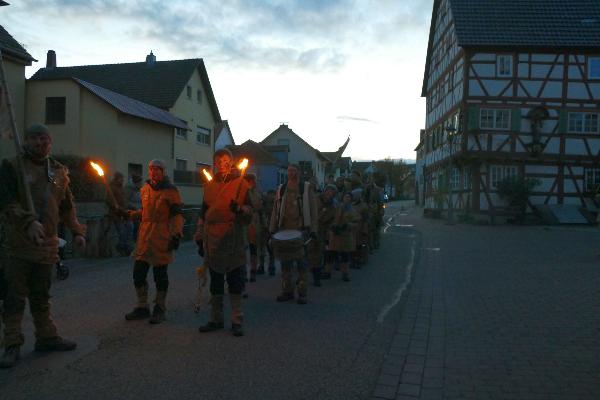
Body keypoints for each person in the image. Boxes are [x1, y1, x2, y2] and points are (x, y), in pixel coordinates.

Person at [0, 123, 86, 368]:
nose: (39, 143)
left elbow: (67, 207)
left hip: (46, 245)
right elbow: (6, 202)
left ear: (50, 142)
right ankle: (12, 344)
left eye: (44, 138)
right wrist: (27, 222)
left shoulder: (58, 172)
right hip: (17, 244)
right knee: (14, 296)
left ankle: (46, 337)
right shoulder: (11, 167)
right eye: (34, 138)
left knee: (41, 295)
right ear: (26, 141)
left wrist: (77, 231)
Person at [196, 149, 251, 337]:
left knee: (235, 280)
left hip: (232, 235)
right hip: (213, 237)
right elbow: (203, 212)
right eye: (218, 160)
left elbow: (250, 209)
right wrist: (199, 234)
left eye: (225, 160)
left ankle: (237, 320)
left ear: (232, 162)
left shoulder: (241, 184)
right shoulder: (209, 185)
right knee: (216, 281)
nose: (222, 163)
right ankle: (216, 319)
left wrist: (240, 209)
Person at [122, 159, 184, 324]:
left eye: (157, 169)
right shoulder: (145, 189)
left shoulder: (171, 191)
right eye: (151, 169)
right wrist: (131, 214)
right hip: (144, 238)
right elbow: (146, 213)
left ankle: (160, 308)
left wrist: (176, 234)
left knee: (160, 276)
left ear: (163, 172)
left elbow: (177, 215)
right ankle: (142, 307)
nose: (154, 172)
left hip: (162, 237)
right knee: (138, 274)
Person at [270, 164, 318, 304]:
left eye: (294, 171)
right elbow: (275, 210)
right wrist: (272, 229)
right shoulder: (281, 188)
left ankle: (302, 293)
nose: (291, 173)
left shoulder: (306, 188)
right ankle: (287, 291)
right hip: (284, 230)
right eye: (289, 171)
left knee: (302, 264)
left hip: (301, 230)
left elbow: (313, 210)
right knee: (285, 264)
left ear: (298, 172)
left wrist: (314, 230)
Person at [309, 184, 337, 285]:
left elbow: (333, 219)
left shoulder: (333, 206)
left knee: (318, 254)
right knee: (309, 253)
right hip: (311, 229)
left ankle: (316, 277)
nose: (329, 194)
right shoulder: (316, 199)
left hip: (322, 232)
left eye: (332, 192)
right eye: (328, 191)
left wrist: (330, 229)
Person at [329, 192, 360, 282]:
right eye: (346, 197)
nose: (347, 199)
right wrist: (333, 226)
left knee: (345, 256)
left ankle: (345, 274)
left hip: (346, 235)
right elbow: (331, 217)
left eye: (349, 197)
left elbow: (357, 222)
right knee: (331, 254)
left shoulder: (353, 210)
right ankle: (328, 272)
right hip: (336, 234)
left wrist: (349, 225)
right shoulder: (337, 207)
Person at [244, 174, 266, 282]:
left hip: (254, 222)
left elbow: (260, 207)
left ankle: (253, 271)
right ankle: (243, 273)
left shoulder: (256, 192)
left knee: (254, 248)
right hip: (245, 222)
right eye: (254, 180)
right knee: (243, 249)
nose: (256, 182)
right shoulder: (244, 191)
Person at [108, 171, 132, 256]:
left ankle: (125, 246)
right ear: (117, 179)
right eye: (121, 178)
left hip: (124, 213)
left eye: (123, 178)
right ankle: (122, 247)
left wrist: (129, 207)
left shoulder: (122, 188)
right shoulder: (112, 188)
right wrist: (119, 209)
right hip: (116, 214)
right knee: (122, 231)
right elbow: (111, 202)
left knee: (130, 227)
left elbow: (124, 200)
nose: (122, 180)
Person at [262, 189, 277, 276]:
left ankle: (264, 266)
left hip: (267, 225)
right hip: (270, 225)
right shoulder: (275, 201)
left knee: (265, 247)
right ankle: (271, 267)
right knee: (270, 248)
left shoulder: (266, 200)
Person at [124, 173, 143, 242]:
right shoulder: (128, 188)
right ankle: (131, 242)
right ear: (135, 181)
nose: (141, 183)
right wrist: (133, 207)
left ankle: (136, 240)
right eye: (139, 181)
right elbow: (126, 201)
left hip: (139, 210)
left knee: (138, 227)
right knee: (133, 227)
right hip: (131, 211)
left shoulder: (139, 188)